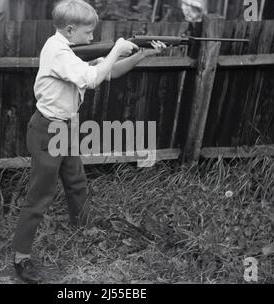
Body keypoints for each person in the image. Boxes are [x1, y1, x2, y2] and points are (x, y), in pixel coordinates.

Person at [11, 0, 167, 283]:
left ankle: (82, 231)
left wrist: (141, 55)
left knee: (76, 181)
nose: (92, 39)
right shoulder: (58, 52)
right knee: (39, 195)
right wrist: (117, 48)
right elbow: (94, 79)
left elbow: (110, 72)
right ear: (70, 30)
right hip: (48, 130)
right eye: (88, 33)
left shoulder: (70, 49)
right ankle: (21, 257)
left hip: (66, 127)